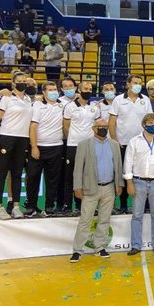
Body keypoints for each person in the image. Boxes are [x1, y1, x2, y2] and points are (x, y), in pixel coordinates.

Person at [69, 119, 124, 262]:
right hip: (90, 188)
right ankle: (77, 250)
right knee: (85, 220)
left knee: (104, 219)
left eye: (106, 127)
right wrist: (77, 187)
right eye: (101, 127)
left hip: (109, 188)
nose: (104, 129)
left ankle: (100, 247)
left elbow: (118, 166)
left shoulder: (114, 145)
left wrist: (119, 184)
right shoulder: (84, 145)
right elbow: (78, 168)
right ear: (94, 128)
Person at [125, 113, 154, 255]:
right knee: (137, 215)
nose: (153, 126)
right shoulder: (134, 141)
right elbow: (128, 162)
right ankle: (136, 245)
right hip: (138, 182)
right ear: (144, 124)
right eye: (150, 123)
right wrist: (129, 183)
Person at [0, 72, 35, 219]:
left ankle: (16, 206)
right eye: (20, 81)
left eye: (25, 81)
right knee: (2, 172)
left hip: (23, 139)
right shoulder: (6, 97)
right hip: (6, 137)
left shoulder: (29, 99)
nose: (23, 83)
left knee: (17, 173)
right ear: (14, 82)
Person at [109, 75, 152, 213]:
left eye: (140, 83)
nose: (138, 85)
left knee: (142, 173)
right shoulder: (118, 100)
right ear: (128, 84)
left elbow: (150, 120)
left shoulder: (145, 100)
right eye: (135, 83)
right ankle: (122, 204)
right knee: (124, 174)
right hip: (123, 143)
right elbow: (112, 121)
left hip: (142, 144)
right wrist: (115, 140)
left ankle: (144, 205)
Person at [26, 81, 65, 217]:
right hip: (39, 148)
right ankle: (31, 206)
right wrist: (34, 146)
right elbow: (33, 127)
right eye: (50, 89)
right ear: (43, 92)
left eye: (55, 89)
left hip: (56, 147)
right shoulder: (37, 105)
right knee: (32, 178)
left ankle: (49, 206)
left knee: (53, 180)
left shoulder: (63, 104)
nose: (54, 91)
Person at [62, 81, 99, 214]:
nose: (88, 91)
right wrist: (72, 138)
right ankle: (68, 206)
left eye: (90, 89)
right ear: (79, 89)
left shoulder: (95, 107)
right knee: (70, 176)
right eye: (86, 88)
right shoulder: (70, 106)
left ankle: (83, 206)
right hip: (73, 146)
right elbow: (66, 126)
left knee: (88, 177)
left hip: (90, 146)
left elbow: (96, 125)